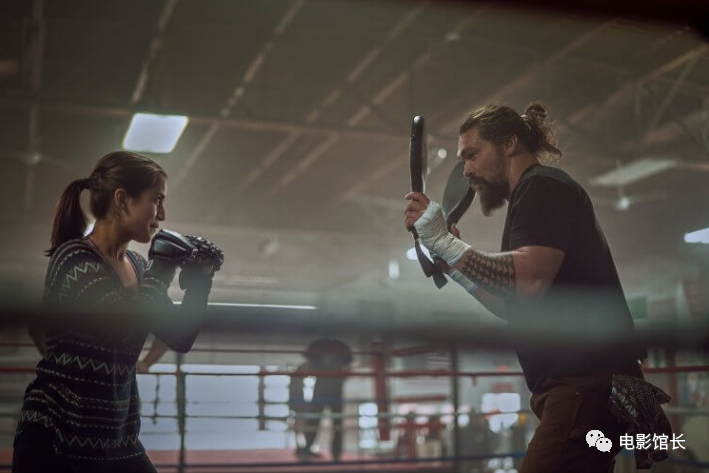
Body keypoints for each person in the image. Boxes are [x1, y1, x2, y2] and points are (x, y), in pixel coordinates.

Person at [403, 103, 668, 472]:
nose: (466, 170)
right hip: (583, 385)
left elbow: (528, 280)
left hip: (583, 384)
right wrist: (451, 261)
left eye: (472, 155)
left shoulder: (541, 186)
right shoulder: (533, 195)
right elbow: (513, 303)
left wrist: (445, 243)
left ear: (510, 143)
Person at [13, 151, 222, 473]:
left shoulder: (139, 267)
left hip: (116, 436)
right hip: (56, 433)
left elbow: (180, 337)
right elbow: (120, 326)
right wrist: (162, 269)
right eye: (157, 200)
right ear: (123, 200)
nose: (162, 214)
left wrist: (199, 283)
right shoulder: (75, 259)